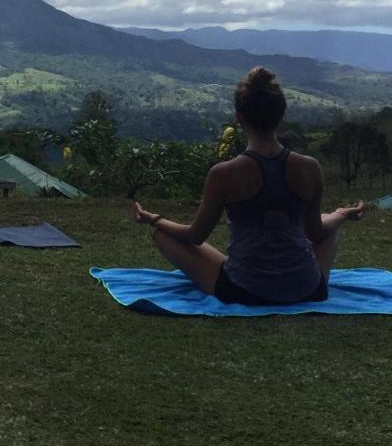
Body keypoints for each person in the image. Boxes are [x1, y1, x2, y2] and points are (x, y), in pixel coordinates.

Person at [132, 66, 365, 305]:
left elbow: (195, 236)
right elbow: (315, 233)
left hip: (242, 290)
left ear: (239, 117)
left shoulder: (223, 173)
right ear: (282, 114)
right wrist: (340, 214)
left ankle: (248, 268)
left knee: (163, 236)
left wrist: (154, 219)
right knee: (331, 225)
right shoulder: (310, 167)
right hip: (308, 289)